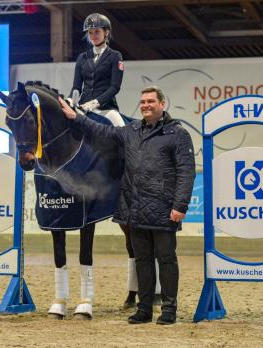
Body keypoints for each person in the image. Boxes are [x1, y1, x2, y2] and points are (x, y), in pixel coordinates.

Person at [58, 86, 196, 325]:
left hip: (163, 208)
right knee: (142, 260)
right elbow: (101, 131)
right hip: (134, 208)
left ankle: (169, 309)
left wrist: (180, 205)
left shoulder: (178, 133)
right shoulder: (130, 131)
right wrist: (75, 118)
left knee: (166, 259)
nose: (146, 105)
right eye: (143, 101)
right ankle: (144, 309)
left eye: (151, 101)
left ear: (163, 104)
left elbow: (186, 172)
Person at [47, 12, 126, 321]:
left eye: (98, 31)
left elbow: (114, 88)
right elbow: (77, 86)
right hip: (83, 107)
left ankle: (124, 176)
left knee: (121, 135)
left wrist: (95, 106)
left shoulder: (116, 57)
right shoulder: (81, 59)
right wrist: (74, 103)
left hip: (108, 110)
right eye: (91, 32)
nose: (94, 35)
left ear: (106, 33)